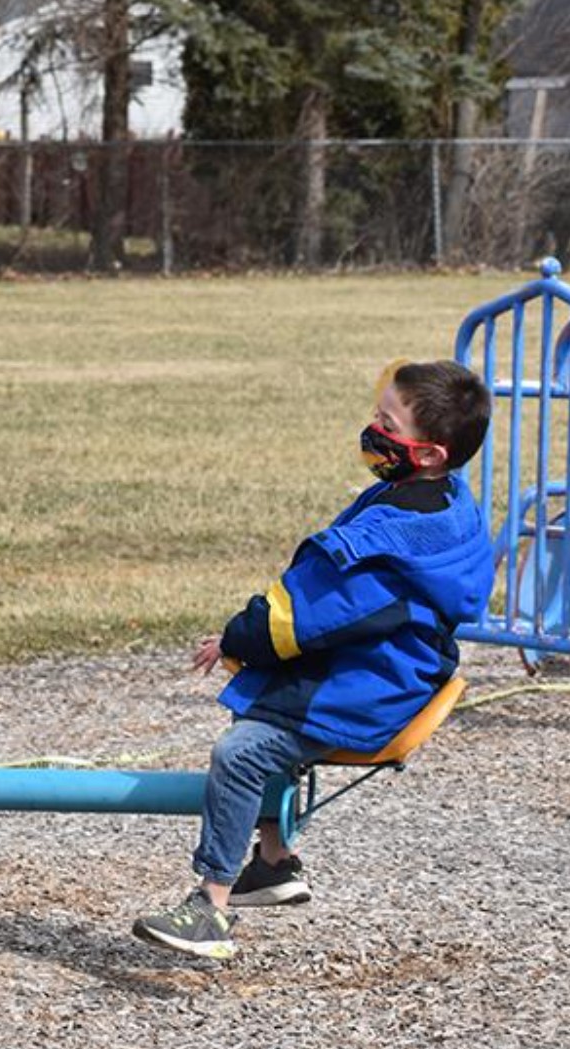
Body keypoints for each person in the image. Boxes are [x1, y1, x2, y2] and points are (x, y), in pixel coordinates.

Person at [133, 360, 495, 960]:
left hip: (370, 686)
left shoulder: (382, 542)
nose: (372, 428)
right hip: (400, 665)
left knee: (242, 752)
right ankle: (272, 864)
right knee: (262, 702)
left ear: (430, 454)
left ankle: (211, 908)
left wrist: (233, 638)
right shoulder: (446, 501)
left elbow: (296, 616)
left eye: (387, 421)